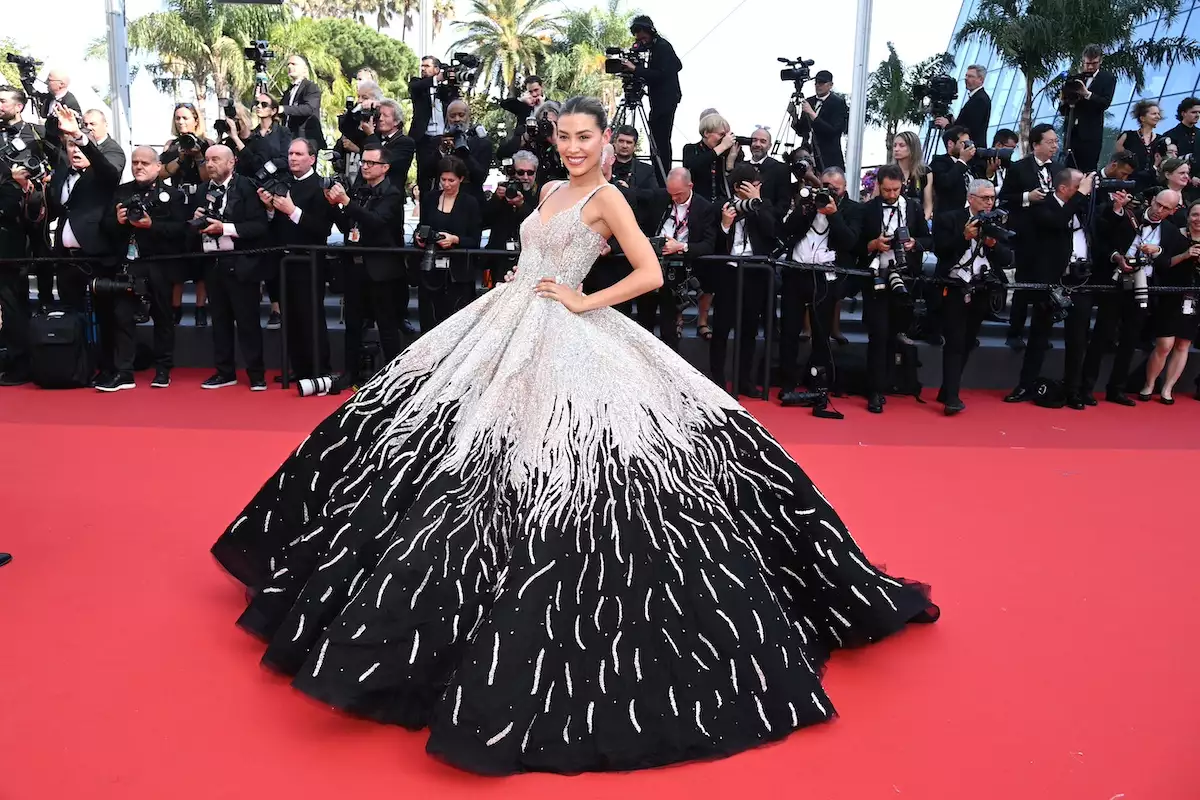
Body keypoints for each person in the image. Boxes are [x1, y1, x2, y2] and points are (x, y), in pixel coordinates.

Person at [210, 94, 938, 777]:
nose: (573, 146)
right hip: (503, 322)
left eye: (585, 137)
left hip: (566, 332)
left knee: (556, 458)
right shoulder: (550, 191)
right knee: (431, 433)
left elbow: (650, 270)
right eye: (563, 136)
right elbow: (534, 255)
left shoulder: (607, 197)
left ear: (606, 146)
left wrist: (585, 298)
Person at [1004, 168, 1094, 404]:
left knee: (1077, 340)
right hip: (1051, 282)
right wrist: (1080, 196)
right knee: (1038, 337)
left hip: (1080, 282)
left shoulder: (1084, 208)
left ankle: (1073, 390)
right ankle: (1025, 386)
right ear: (1063, 189)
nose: (1083, 191)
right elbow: (1056, 221)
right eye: (1078, 187)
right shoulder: (1043, 206)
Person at [191, 144, 272, 391]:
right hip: (212, 262)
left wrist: (224, 228)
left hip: (241, 263)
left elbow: (259, 226)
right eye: (206, 160)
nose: (210, 164)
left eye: (215, 159)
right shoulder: (202, 190)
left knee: (247, 322)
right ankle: (224, 371)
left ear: (231, 162)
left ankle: (256, 374)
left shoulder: (247, 187)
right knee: (220, 321)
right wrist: (195, 220)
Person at [109, 146, 190, 389]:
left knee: (162, 317)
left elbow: (181, 230)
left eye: (145, 163)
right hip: (129, 264)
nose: (139, 167)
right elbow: (105, 227)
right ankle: (124, 371)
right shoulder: (121, 192)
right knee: (122, 315)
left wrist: (152, 225)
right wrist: (118, 221)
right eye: (135, 163)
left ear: (158, 167)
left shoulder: (172, 195)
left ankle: (163, 368)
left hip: (159, 264)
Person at [934, 178, 1012, 416]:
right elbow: (940, 250)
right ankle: (952, 398)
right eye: (985, 198)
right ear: (971, 198)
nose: (989, 203)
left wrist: (991, 243)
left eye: (992, 198)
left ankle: (948, 388)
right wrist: (964, 237)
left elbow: (1008, 257)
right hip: (955, 286)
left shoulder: (996, 220)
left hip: (982, 288)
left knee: (968, 341)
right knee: (955, 341)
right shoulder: (949, 218)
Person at [413, 156, 482, 331]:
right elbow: (421, 226)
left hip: (458, 274)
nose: (447, 184)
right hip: (431, 269)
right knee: (429, 321)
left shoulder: (470, 203)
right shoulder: (430, 199)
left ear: (461, 179)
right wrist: (419, 237)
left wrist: (455, 240)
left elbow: (475, 240)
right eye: (443, 179)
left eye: (451, 180)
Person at [1141, 198, 1200, 403]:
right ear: (1187, 215)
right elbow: (1165, 263)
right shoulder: (1175, 234)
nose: (1198, 220)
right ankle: (1149, 385)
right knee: (1164, 344)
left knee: (1183, 344)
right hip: (1171, 293)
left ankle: (1168, 389)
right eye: (1195, 214)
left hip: (1194, 297)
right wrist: (1185, 255)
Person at [622, 16, 682, 182]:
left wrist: (636, 69)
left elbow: (665, 72)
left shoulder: (662, 47)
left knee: (660, 141)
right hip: (658, 101)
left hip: (666, 100)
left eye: (643, 37)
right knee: (657, 139)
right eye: (638, 38)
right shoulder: (654, 48)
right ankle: (659, 176)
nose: (641, 40)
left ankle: (662, 179)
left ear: (650, 31)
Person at [1057, 44, 1115, 172]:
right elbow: (1063, 109)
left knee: (1087, 169)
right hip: (1072, 132)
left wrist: (1087, 94)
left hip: (1091, 133)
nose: (1090, 67)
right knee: (1068, 169)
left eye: (1094, 63)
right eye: (1087, 63)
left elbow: (1104, 103)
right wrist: (1065, 98)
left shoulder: (1107, 79)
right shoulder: (1075, 79)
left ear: (1100, 61)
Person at [801, 70, 848, 171]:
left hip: (828, 157)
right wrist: (794, 116)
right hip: (807, 154)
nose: (818, 85)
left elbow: (834, 131)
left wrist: (812, 114)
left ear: (830, 85)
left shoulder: (837, 103)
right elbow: (802, 130)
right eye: (816, 83)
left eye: (821, 83)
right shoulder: (809, 101)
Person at [935, 64, 991, 148]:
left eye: (971, 76)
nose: (966, 79)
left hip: (971, 151)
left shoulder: (980, 99)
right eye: (966, 76)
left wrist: (947, 126)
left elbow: (970, 129)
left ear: (981, 80)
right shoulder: (976, 97)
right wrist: (954, 122)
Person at [1115, 101, 1166, 191]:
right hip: (1129, 184)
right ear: (1142, 118)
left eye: (1158, 114)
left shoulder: (1161, 140)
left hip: (1152, 185)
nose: (1158, 116)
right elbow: (1118, 159)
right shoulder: (1128, 136)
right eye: (1154, 114)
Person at [279, 55, 325, 148]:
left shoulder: (311, 87)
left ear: (304, 69)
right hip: (289, 140)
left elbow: (308, 109)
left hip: (306, 139)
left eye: (294, 64)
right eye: (288, 64)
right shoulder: (288, 91)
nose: (290, 67)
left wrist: (283, 109)